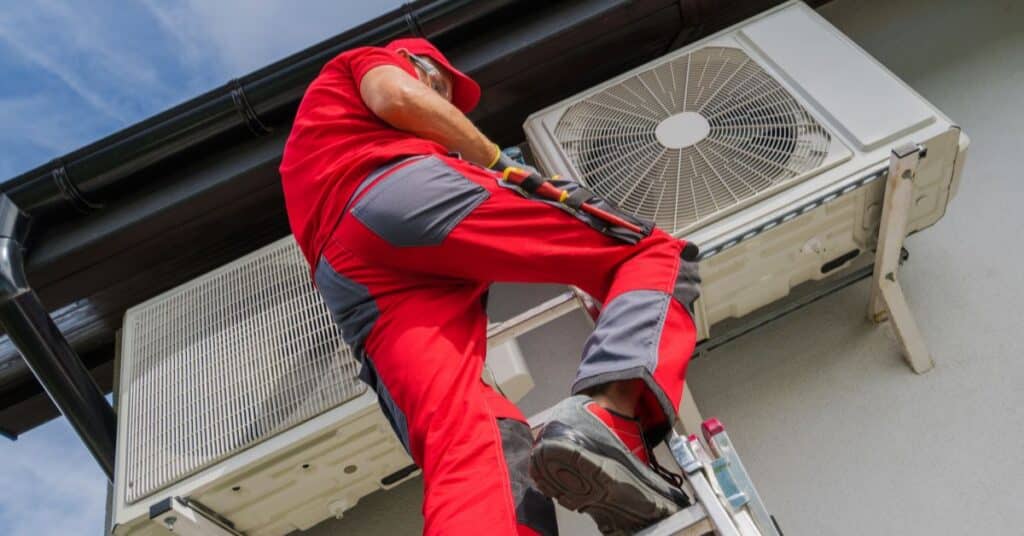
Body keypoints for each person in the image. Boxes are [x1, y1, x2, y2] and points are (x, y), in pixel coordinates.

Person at [280, 37, 701, 536]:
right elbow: (395, 97)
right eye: (440, 87)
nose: (446, 107)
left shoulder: (313, 149)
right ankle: (611, 419)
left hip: (352, 279)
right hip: (395, 194)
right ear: (416, 64)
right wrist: (497, 162)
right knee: (650, 251)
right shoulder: (367, 60)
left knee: (476, 435)